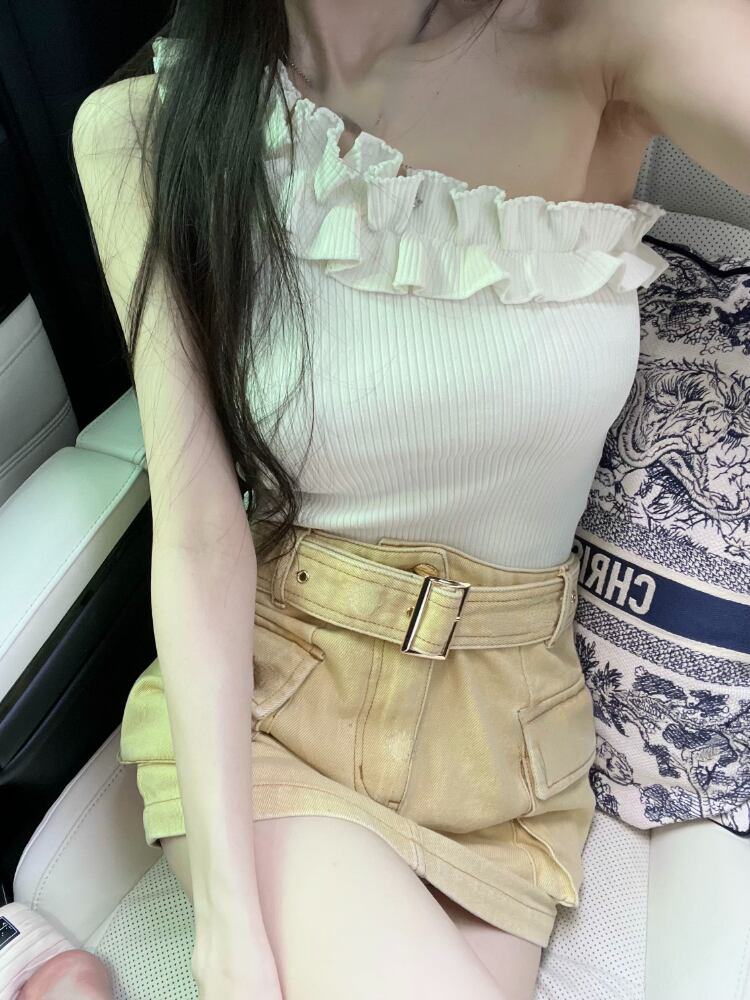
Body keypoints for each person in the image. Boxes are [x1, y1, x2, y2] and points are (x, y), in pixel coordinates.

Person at [12, 0, 750, 998]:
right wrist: (228, 926)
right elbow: (197, 531)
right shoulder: (148, 124)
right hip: (279, 705)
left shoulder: (602, 29)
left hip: (508, 752)